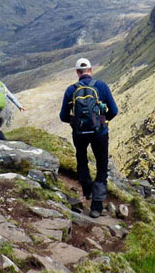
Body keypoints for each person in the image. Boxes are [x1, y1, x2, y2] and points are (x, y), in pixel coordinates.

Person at [59, 57, 118, 218]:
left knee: (82, 160)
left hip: (79, 134)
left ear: (77, 72)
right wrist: (102, 121)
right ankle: (97, 207)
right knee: (101, 165)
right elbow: (114, 110)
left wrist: (76, 122)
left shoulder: (71, 90)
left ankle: (87, 189)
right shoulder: (101, 86)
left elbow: (63, 116)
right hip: (100, 133)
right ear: (91, 70)